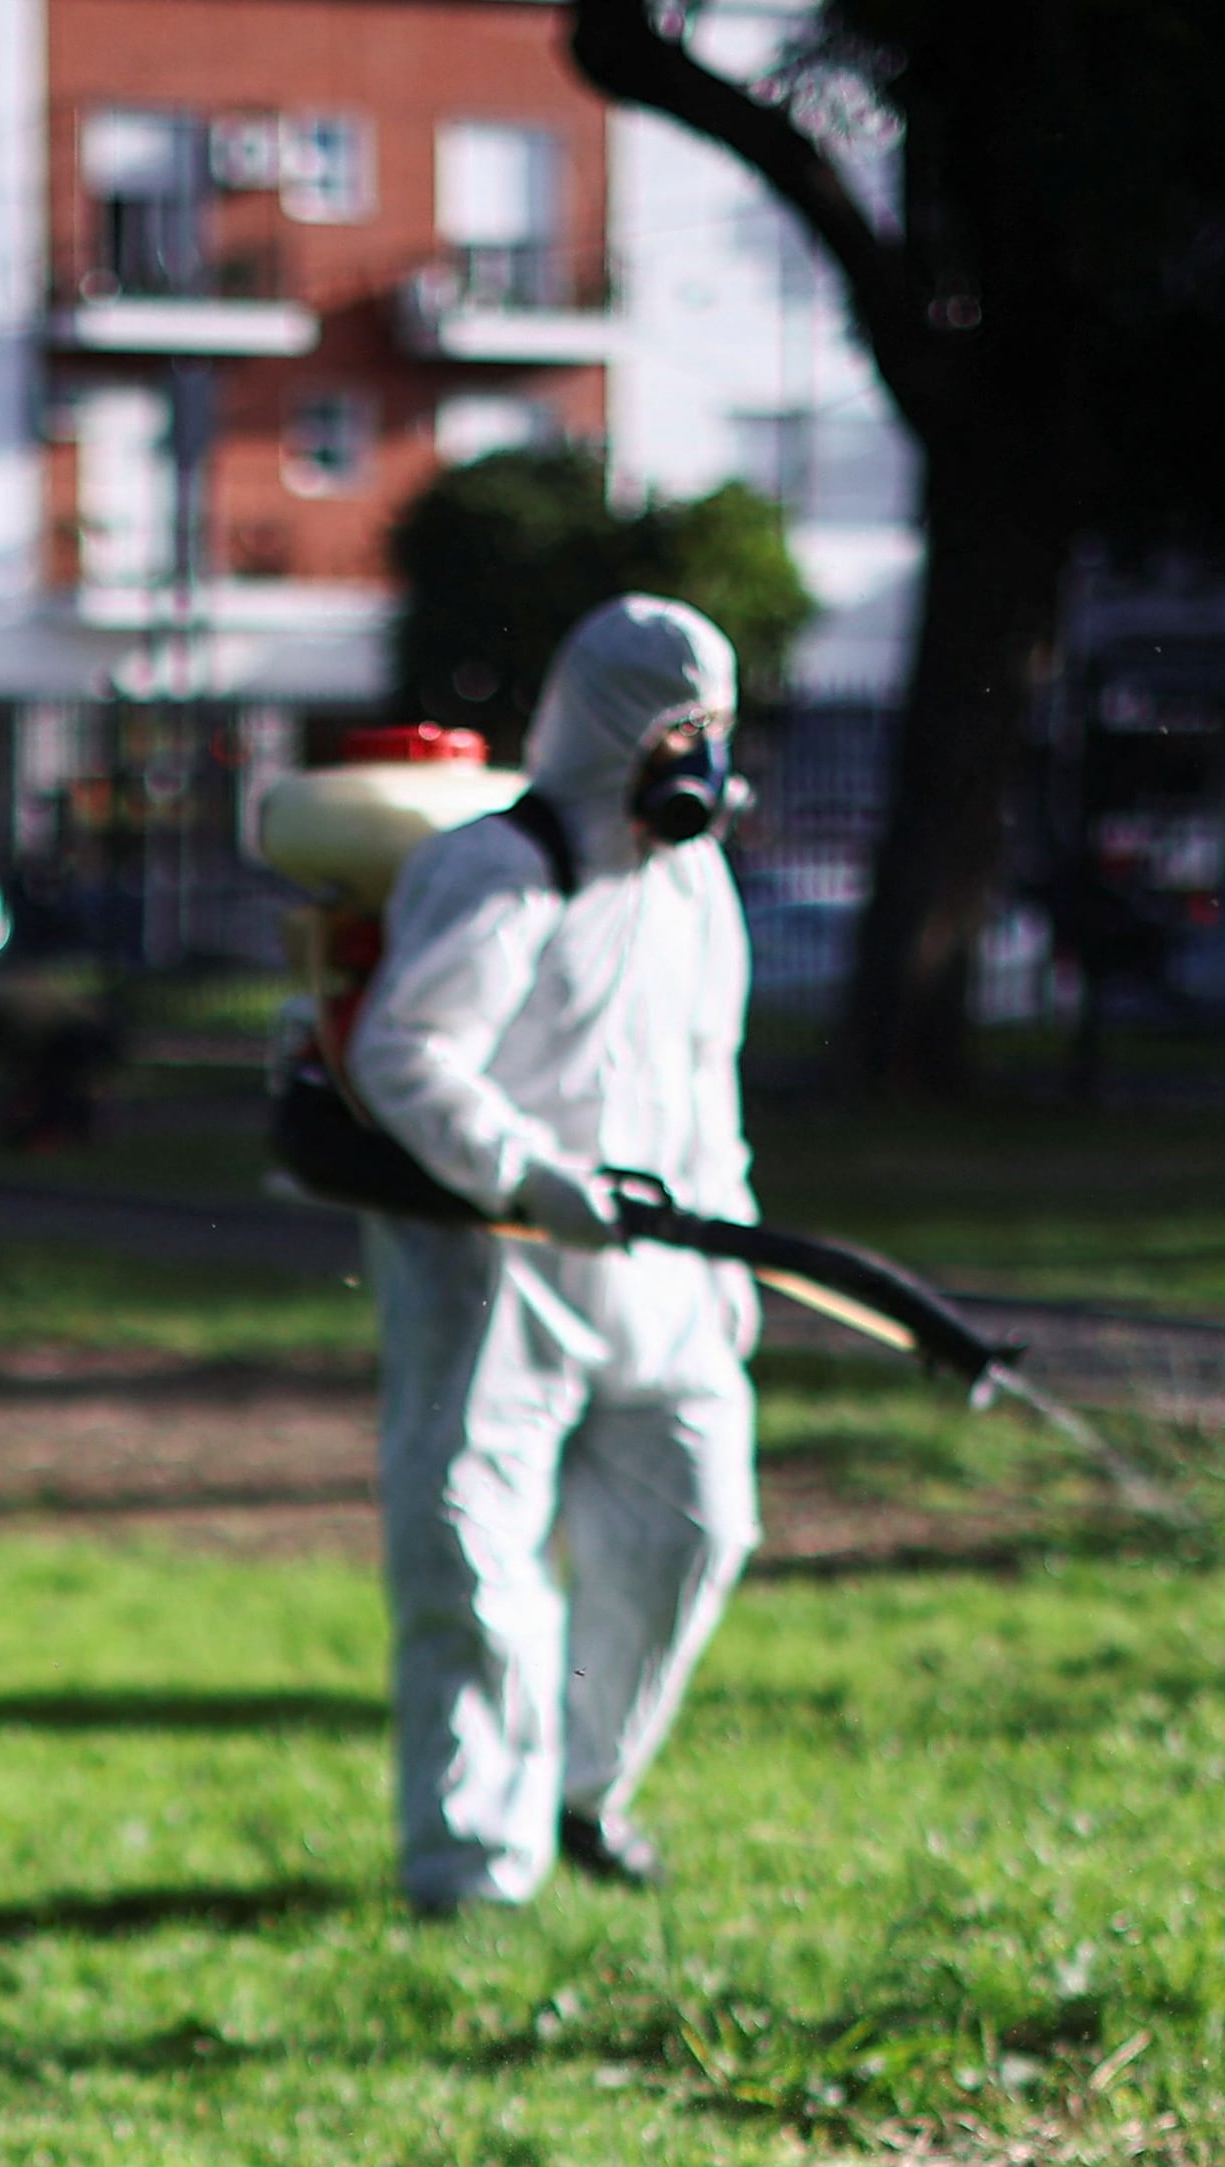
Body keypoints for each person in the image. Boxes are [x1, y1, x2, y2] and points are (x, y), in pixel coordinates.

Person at [340, 596, 762, 1910]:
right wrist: (530, 1175)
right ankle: (471, 1870)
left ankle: (584, 1791)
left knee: (697, 1529)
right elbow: (404, 1054)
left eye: (714, 727)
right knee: (472, 1567)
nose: (694, 754)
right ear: (608, 724)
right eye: (674, 726)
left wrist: (732, 1253)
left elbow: (708, 1081)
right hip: (496, 1276)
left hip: (666, 1279)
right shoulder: (498, 868)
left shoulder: (696, 882)